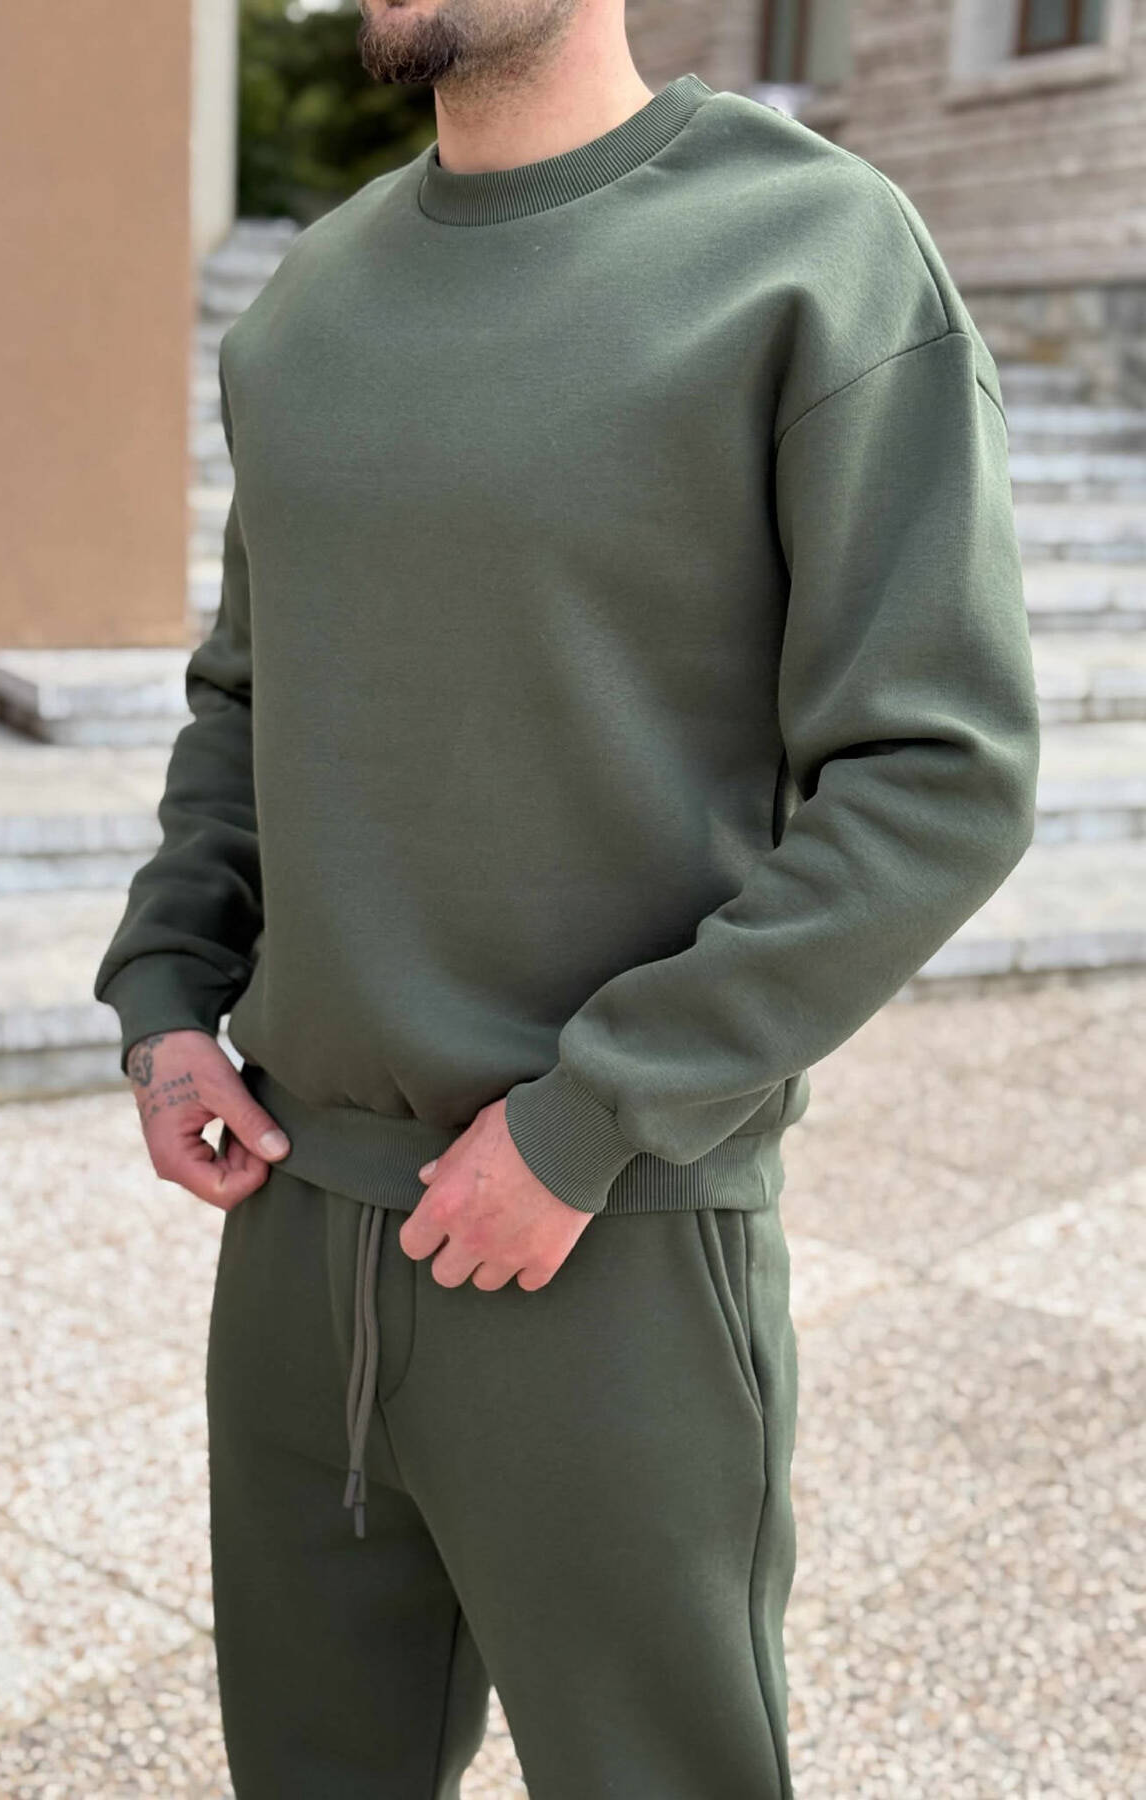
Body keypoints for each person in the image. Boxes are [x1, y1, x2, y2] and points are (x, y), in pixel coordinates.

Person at [92, 2, 1041, 1795]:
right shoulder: (310, 305)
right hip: (296, 1239)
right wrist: (164, 1004)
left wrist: (591, 1117)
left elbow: (940, 774)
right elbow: (247, 702)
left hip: (610, 1250)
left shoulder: (813, 252)